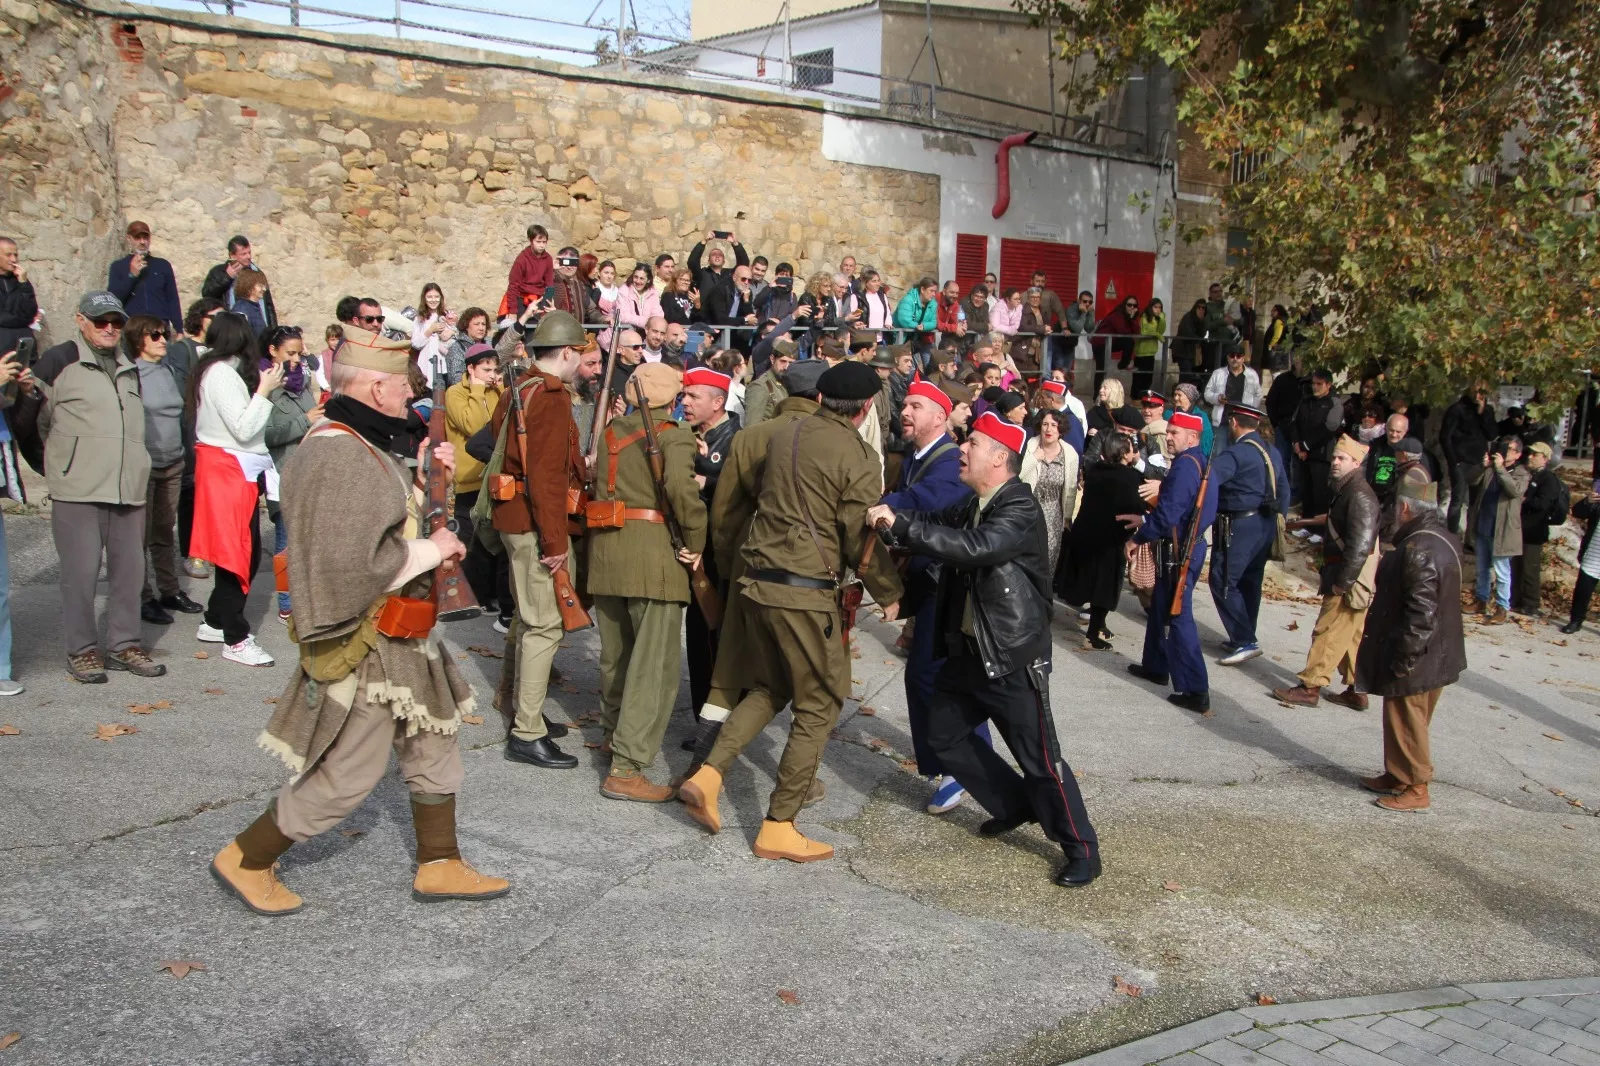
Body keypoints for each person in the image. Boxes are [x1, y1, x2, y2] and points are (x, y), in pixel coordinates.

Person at [209, 324, 505, 915]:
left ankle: (440, 862)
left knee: (433, 742)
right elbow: (351, 561)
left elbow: (386, 518)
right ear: (374, 387)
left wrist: (423, 480)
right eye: (402, 385)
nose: (411, 393)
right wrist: (435, 549)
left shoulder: (363, 443)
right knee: (347, 774)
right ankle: (247, 857)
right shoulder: (337, 451)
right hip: (367, 635)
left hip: (403, 628)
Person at [678, 362, 903, 862]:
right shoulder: (859, 454)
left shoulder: (780, 435)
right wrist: (889, 590)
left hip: (755, 581)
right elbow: (857, 535)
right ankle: (779, 824)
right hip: (803, 591)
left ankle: (708, 774)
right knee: (821, 702)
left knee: (771, 686)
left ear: (821, 398)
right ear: (866, 407)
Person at [869, 411, 1101, 887]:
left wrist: (904, 528)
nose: (961, 449)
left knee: (1040, 758)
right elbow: (931, 522)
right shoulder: (974, 502)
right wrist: (889, 519)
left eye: (971, 443)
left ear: (999, 457)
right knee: (943, 736)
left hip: (1011, 656)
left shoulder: (1017, 506)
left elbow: (975, 547)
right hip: (971, 651)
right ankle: (1014, 806)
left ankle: (1081, 847)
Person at [683, 359, 830, 779]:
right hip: (807, 575)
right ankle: (795, 775)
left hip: (740, 563)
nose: (687, 402)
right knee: (802, 678)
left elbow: (727, 509)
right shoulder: (833, 440)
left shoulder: (747, 436)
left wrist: (726, 569)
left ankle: (708, 758)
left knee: (728, 661)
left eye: (695, 395)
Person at [586, 362, 706, 800]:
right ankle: (627, 766)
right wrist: (697, 539)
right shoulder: (674, 434)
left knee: (616, 656)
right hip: (653, 556)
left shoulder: (612, 431)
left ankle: (612, 734)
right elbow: (680, 490)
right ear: (670, 399)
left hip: (607, 553)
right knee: (652, 668)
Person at [32, 291, 165, 682]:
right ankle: (82, 651)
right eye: (101, 321)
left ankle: (125, 645)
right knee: (80, 575)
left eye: (116, 322)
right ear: (81, 320)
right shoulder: (60, 359)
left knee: (129, 573)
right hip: (79, 488)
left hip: (128, 486)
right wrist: (60, 462)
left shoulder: (129, 366)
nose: (109, 328)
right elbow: (31, 418)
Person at [488, 311, 588, 770]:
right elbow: (546, 478)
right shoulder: (548, 397)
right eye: (579, 354)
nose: (580, 362)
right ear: (567, 352)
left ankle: (519, 711)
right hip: (534, 522)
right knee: (544, 624)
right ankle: (526, 732)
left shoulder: (519, 387)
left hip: (514, 517)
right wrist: (555, 542)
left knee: (529, 618)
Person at [878, 377, 980, 815]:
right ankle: (956, 764)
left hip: (950, 583)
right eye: (904, 404)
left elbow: (929, 499)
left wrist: (882, 503)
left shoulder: (948, 458)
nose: (906, 411)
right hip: (929, 581)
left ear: (940, 416)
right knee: (931, 677)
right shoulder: (916, 456)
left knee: (935, 677)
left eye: (916, 406)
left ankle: (962, 767)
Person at [1353, 479, 1466, 812]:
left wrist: (1405, 657)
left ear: (1405, 509)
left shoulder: (1418, 549)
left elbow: (1420, 613)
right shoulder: (1445, 539)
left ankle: (1416, 785)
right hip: (1437, 651)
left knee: (1408, 720)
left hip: (1419, 652)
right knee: (1402, 717)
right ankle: (1398, 773)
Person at [189, 311, 284, 667]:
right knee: (237, 553)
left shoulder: (212, 371)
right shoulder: (222, 375)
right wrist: (264, 391)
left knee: (239, 548)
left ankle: (216, 620)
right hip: (229, 468)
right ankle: (236, 637)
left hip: (230, 468)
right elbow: (244, 428)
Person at [1274, 435, 1380, 708]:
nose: (1334, 462)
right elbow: (1337, 522)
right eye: (1334, 457)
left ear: (1356, 462)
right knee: (1351, 633)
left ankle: (1310, 687)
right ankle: (1357, 689)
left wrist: (1342, 584)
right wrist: (1303, 523)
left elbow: (1360, 546)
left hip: (1349, 576)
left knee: (1329, 630)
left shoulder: (1360, 496)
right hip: (1348, 572)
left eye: (1341, 458)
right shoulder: (1349, 489)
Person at [1125, 411, 1216, 713]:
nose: (1169, 437)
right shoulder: (1197, 464)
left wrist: (1137, 538)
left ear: (1192, 438)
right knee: (1161, 606)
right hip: (1183, 546)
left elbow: (1168, 514)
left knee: (1178, 616)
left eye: (1175, 432)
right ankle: (1155, 665)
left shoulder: (1187, 467)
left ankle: (1195, 688)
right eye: (1169, 432)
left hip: (1180, 551)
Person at [124, 314, 203, 627]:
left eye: (164, 334)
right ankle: (143, 596)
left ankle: (169, 591)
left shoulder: (168, 369)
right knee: (139, 536)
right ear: (138, 340)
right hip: (146, 464)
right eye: (154, 335)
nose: (162, 340)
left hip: (173, 462)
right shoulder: (132, 374)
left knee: (164, 533)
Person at [1206, 403, 1289, 666]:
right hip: (1264, 524)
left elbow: (1208, 481)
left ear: (1233, 422)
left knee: (1223, 580)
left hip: (1239, 525)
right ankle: (1243, 633)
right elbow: (1284, 490)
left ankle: (1244, 639)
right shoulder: (1271, 451)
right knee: (1250, 581)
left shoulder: (1236, 454)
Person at [681, 365, 740, 715]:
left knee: (713, 633)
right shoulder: (686, 433)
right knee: (698, 636)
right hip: (693, 549)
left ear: (718, 402)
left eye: (693, 396)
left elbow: (745, 491)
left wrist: (708, 482)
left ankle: (716, 715)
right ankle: (702, 715)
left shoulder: (735, 438)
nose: (685, 402)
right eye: (684, 395)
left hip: (718, 553)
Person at [1056, 432, 1146, 648]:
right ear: (1124, 452)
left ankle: (1100, 626)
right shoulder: (1130, 477)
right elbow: (1135, 506)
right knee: (1104, 589)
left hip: (1087, 532)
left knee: (1090, 581)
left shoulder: (1095, 471)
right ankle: (1093, 634)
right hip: (1111, 539)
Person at [262, 325, 323, 625]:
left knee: (311, 541)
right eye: (290, 353)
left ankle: (309, 599)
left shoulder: (303, 383)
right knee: (287, 543)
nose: (297, 359)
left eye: (299, 352)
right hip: (282, 475)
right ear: (273, 352)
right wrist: (304, 420)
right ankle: (287, 604)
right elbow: (265, 435)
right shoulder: (266, 388)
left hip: (310, 472)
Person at [444, 343, 504, 612]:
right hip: (469, 477)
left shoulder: (495, 391)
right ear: (470, 368)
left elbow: (505, 423)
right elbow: (473, 425)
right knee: (469, 539)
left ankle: (491, 593)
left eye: (494, 369)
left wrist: (501, 389)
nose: (492, 374)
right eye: (486, 369)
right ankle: (468, 596)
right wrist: (478, 389)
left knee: (492, 538)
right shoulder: (454, 393)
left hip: (492, 477)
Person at [1469, 435, 1529, 624]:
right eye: (1503, 447)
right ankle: (1481, 600)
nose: (1504, 452)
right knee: (1482, 569)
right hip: (1484, 525)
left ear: (1518, 454)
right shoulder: (1492, 469)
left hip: (1503, 531)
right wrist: (1483, 466)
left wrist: (1501, 468)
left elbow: (1514, 490)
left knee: (1502, 573)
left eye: (1509, 449)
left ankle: (1502, 608)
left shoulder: (1521, 472)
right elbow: (1471, 480)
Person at [1019, 407, 1078, 574]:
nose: (1049, 429)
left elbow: (1071, 489)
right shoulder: (1029, 446)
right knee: (1025, 556)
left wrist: (1067, 516)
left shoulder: (1070, 454)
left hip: (1053, 514)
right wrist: (1033, 459)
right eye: (1045, 424)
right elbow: (1017, 476)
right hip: (1028, 510)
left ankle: (1044, 595)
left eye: (1053, 425)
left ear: (1061, 429)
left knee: (1048, 560)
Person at [1440, 383, 1498, 537]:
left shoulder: (1487, 411)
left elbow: (1492, 434)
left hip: (1479, 461)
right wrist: (1453, 461)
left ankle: (1471, 537)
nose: (1479, 395)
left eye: (1482, 393)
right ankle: (1451, 534)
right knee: (1458, 499)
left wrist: (1483, 412)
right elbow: (1445, 437)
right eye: (1476, 391)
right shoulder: (1457, 409)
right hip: (1460, 461)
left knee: (1476, 503)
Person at [1512, 441, 1562, 618]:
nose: (1530, 457)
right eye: (1530, 453)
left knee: (1529, 568)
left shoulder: (1548, 479)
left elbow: (1544, 503)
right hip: (1520, 528)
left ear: (1545, 458)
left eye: (1535, 455)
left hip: (1534, 530)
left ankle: (1531, 604)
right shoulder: (1527, 474)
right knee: (1516, 566)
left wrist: (1526, 500)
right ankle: (1515, 600)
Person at [108, 221, 182, 335]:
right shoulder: (118, 266)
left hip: (159, 327)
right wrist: (131, 276)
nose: (143, 242)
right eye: (137, 237)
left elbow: (172, 299)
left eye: (145, 237)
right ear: (129, 238)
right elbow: (114, 299)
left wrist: (179, 329)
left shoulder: (162, 265)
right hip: (132, 327)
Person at [1290, 370, 1342, 527]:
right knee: (1306, 491)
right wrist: (1297, 443)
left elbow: (1330, 428)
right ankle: (1306, 525)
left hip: (1321, 455)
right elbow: (1294, 422)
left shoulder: (1334, 402)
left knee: (1320, 493)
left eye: (1319, 384)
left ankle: (1319, 530)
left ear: (1328, 385)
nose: (1315, 387)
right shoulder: (1305, 401)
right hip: (1302, 454)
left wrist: (1306, 446)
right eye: (1313, 383)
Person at [202, 236, 278, 327]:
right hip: (229, 326)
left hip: (255, 326)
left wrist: (273, 330)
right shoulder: (218, 272)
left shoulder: (256, 273)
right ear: (232, 255)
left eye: (249, 252)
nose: (248, 256)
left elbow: (268, 306)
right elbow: (207, 294)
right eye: (243, 254)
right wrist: (227, 277)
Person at [1202, 349, 1262, 451]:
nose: (1235, 359)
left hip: (1243, 423)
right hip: (1222, 422)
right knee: (1220, 455)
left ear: (1243, 358)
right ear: (1228, 357)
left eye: (1238, 356)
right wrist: (1217, 398)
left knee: (1241, 453)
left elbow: (1258, 395)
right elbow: (1207, 393)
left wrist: (1250, 410)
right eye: (1232, 355)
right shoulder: (1218, 373)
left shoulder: (1252, 375)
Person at [1560, 482, 1599, 635]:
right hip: (1594, 551)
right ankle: (1575, 621)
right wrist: (1588, 501)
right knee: (1583, 589)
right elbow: (1577, 512)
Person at [687, 231, 749, 310]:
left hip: (726, 316)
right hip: (706, 317)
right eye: (713, 255)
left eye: (720, 255)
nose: (717, 256)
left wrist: (735, 244)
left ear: (724, 261)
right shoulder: (702, 274)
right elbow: (692, 262)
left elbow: (743, 265)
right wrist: (704, 242)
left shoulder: (730, 275)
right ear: (708, 261)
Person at [410, 283, 456, 387]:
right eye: (429, 297)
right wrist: (430, 330)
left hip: (445, 361)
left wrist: (452, 332)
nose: (433, 300)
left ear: (441, 298)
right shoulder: (420, 318)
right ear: (424, 299)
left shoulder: (447, 315)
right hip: (427, 363)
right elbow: (416, 343)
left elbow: (456, 334)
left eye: (436, 297)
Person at [0, 237, 38, 358]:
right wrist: (23, 320)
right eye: (8, 255)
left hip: (24, 348)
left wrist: (24, 283)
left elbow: (31, 313)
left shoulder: (20, 280)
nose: (14, 259)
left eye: (16, 255)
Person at [744, 338, 794, 426]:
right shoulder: (760, 386)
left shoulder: (790, 383)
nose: (786, 367)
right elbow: (751, 428)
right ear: (772, 359)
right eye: (783, 361)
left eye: (791, 363)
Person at [505, 223, 553, 314]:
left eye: (544, 242)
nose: (542, 245)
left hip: (539, 300)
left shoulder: (548, 259)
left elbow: (549, 285)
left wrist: (547, 307)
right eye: (538, 242)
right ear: (531, 241)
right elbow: (513, 286)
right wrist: (513, 311)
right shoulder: (522, 259)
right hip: (521, 300)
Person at [441, 306, 490, 387]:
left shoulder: (490, 344)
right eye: (476, 324)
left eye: (483, 324)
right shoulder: (457, 348)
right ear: (466, 326)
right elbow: (455, 379)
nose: (481, 328)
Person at [548, 246, 596, 326]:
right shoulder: (550, 281)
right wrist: (551, 269)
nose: (569, 267)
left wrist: (604, 319)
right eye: (566, 262)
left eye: (573, 263)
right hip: (555, 333)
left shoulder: (580, 285)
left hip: (576, 334)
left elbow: (591, 310)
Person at [1096, 294, 1141, 373]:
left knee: (1129, 342)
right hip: (1100, 343)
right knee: (1101, 369)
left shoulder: (1130, 317)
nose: (1132, 307)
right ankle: (1100, 385)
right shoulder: (1117, 315)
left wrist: (1132, 319)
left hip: (1112, 342)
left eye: (1134, 305)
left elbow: (1137, 331)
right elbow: (1123, 331)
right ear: (1124, 305)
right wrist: (1130, 318)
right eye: (1129, 305)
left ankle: (1123, 365)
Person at [1133, 298, 1165, 397]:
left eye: (1160, 307)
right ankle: (1135, 397)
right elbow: (1144, 332)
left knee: (1148, 377)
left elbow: (1161, 331)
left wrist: (1162, 319)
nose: (1158, 309)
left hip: (1151, 352)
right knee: (1139, 377)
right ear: (1151, 307)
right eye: (1155, 307)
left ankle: (1144, 397)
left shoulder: (1157, 318)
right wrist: (1157, 335)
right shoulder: (1145, 316)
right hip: (1141, 352)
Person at [615, 264, 662, 331]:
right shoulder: (624, 291)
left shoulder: (653, 293)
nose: (638, 281)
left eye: (641, 278)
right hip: (625, 332)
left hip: (647, 331)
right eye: (636, 277)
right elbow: (623, 316)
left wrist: (652, 324)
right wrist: (646, 322)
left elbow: (658, 314)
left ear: (648, 280)